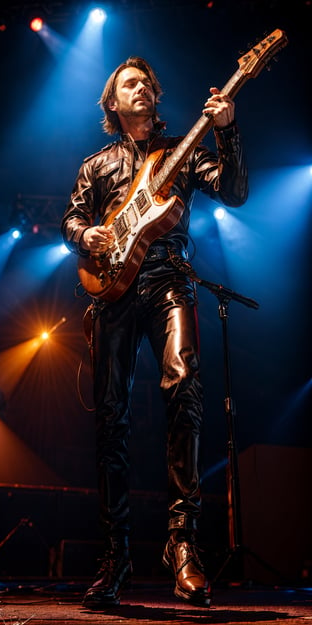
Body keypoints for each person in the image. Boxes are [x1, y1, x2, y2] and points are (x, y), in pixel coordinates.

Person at [61, 55, 248, 609]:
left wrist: (228, 131)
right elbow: (71, 219)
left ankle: (183, 543)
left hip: (170, 279)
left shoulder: (181, 151)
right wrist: (88, 234)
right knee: (111, 420)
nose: (141, 88)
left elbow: (235, 192)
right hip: (113, 294)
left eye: (147, 82)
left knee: (185, 389)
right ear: (112, 103)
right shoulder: (96, 167)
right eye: (129, 84)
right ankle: (115, 557)